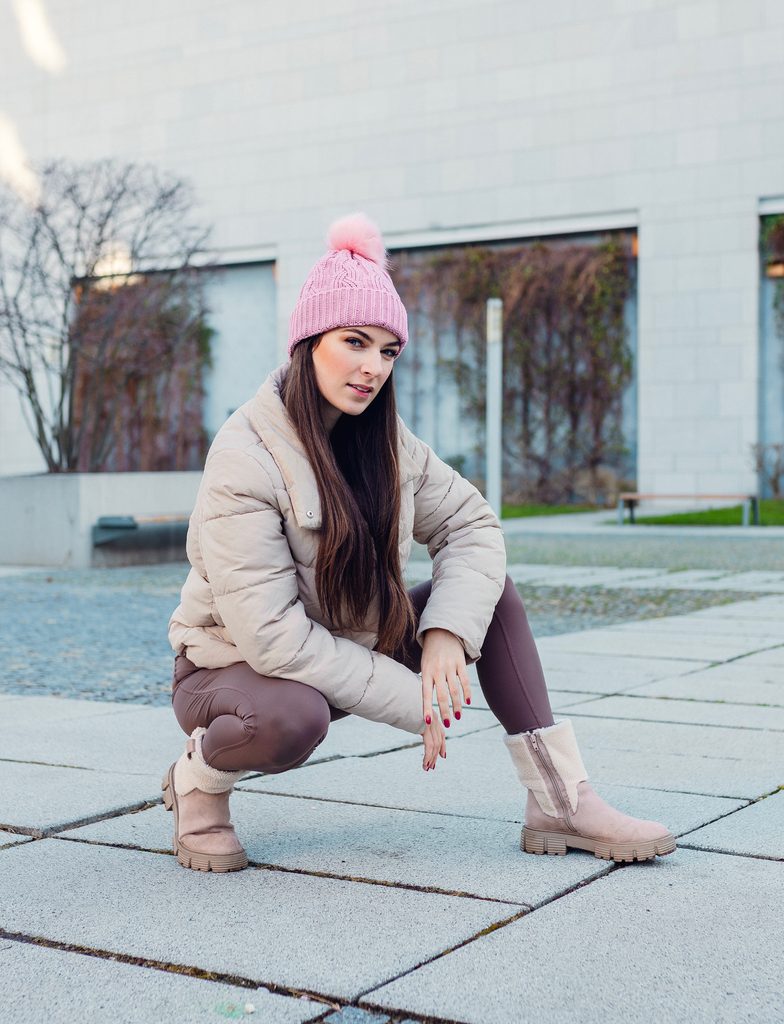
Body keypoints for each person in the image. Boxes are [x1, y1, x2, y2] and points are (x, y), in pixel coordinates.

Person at [164, 212, 675, 873]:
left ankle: (559, 801)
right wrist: (416, 702)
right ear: (308, 342)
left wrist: (445, 634)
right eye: (354, 342)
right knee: (293, 718)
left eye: (388, 351)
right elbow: (273, 640)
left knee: (490, 597)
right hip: (229, 671)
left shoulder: (386, 442)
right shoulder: (245, 456)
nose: (372, 367)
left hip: (349, 644)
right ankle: (198, 783)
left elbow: (472, 525)